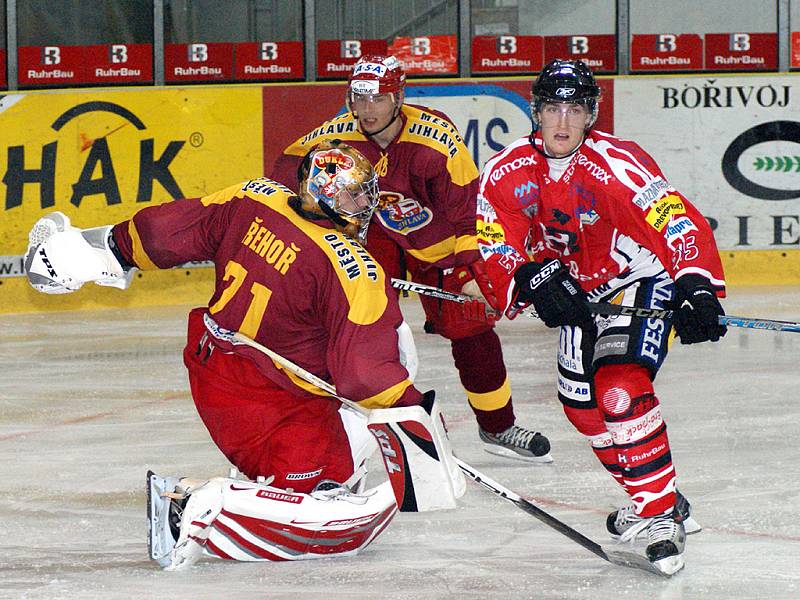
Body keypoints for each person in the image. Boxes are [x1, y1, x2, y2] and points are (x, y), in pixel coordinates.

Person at [24, 141, 463, 569]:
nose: (363, 206)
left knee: (353, 418)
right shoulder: (357, 272)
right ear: (327, 194)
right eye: (354, 195)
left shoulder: (255, 195)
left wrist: (109, 249)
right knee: (333, 499)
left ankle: (283, 477)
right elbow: (365, 376)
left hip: (212, 368)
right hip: (274, 404)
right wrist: (418, 419)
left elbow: (165, 232)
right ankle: (199, 504)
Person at [475, 59, 727, 576]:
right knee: (582, 409)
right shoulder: (507, 171)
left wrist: (697, 283)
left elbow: (675, 221)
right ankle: (659, 496)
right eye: (551, 108)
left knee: (619, 386)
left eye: (574, 109)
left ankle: (659, 519)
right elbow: (491, 241)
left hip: (638, 281)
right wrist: (527, 276)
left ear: (591, 114)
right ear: (536, 112)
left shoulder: (618, 164)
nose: (562, 122)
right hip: (580, 295)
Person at [271, 54, 551, 463]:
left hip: (436, 245)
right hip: (369, 245)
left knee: (471, 329)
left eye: (377, 99)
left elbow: (467, 211)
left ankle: (498, 427)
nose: (367, 110)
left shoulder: (436, 140)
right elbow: (284, 176)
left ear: (398, 98)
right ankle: (336, 437)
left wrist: (473, 271)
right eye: (359, 99)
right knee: (353, 333)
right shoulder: (335, 136)